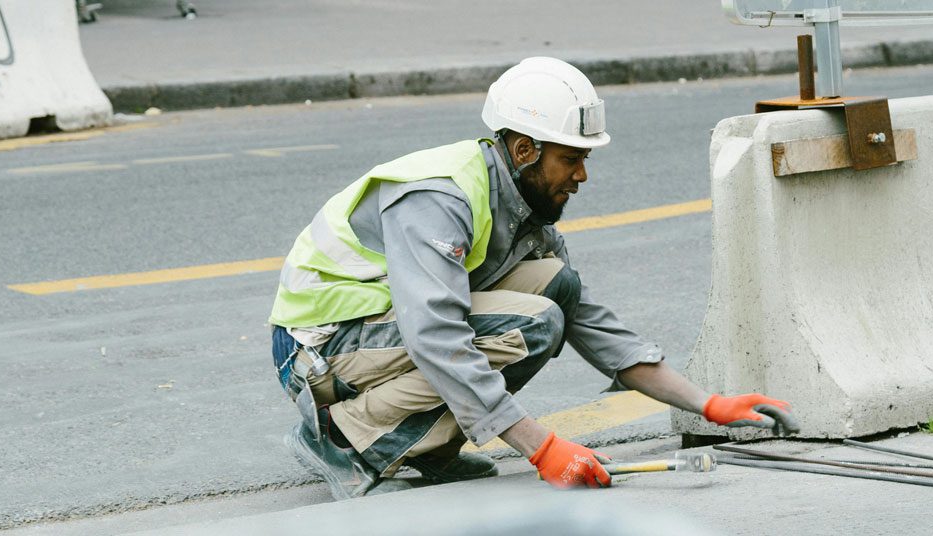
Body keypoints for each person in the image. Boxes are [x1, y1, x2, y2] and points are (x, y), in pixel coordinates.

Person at [268, 56, 799, 500]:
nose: (582, 175)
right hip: (318, 350)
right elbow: (435, 334)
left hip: (374, 337)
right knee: (534, 323)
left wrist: (707, 404)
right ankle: (342, 441)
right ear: (525, 151)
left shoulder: (523, 208)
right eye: (571, 159)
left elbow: (593, 323)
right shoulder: (439, 197)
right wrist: (541, 448)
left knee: (556, 289)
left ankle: (427, 450)